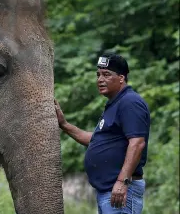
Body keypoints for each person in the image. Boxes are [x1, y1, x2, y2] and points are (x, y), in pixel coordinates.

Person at [54, 53, 151, 214]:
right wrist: (64, 125)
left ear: (121, 78)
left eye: (106, 75)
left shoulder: (130, 102)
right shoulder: (114, 104)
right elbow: (97, 140)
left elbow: (137, 143)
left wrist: (122, 182)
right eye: (98, 75)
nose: (100, 79)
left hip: (121, 190)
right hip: (109, 191)